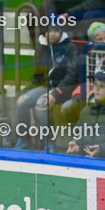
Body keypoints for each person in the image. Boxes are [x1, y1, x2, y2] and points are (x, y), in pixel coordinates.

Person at [13, 20, 79, 150]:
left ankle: (49, 143)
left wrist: (54, 93)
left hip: (63, 88)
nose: (53, 34)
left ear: (61, 32)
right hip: (45, 87)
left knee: (42, 104)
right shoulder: (41, 48)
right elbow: (37, 76)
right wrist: (26, 91)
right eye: (50, 31)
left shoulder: (70, 48)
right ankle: (24, 139)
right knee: (21, 102)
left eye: (56, 31)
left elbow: (71, 76)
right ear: (45, 32)